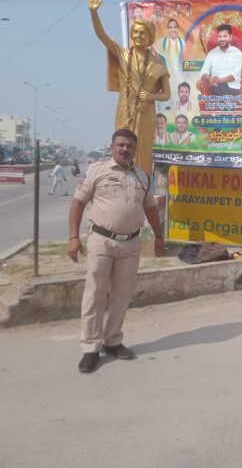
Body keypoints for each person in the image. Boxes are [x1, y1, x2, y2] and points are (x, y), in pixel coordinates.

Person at [68, 128, 164, 374]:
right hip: (102, 241)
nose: (125, 149)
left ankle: (112, 341)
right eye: (120, 145)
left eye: (129, 146)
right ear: (112, 147)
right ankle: (90, 347)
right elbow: (78, 203)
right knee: (95, 294)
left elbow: (150, 208)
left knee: (122, 295)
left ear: (135, 149)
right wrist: (73, 238)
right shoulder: (96, 171)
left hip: (131, 244)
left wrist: (159, 235)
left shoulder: (142, 176)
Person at [88, 0, 171, 176]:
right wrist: (93, 12)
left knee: (142, 149)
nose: (139, 36)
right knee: (122, 145)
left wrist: (151, 96)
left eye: (143, 33)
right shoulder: (123, 54)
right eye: (136, 33)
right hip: (125, 108)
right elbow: (102, 36)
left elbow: (166, 94)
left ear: (149, 37)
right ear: (132, 35)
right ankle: (121, 178)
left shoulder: (158, 63)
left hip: (146, 112)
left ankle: (142, 184)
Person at [198, 24, 242, 96]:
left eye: (225, 36)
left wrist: (220, 80)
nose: (222, 39)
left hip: (232, 90)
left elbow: (236, 75)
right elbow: (203, 72)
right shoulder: (212, 53)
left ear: (230, 37)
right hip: (216, 89)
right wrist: (209, 79)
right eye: (220, 36)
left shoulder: (237, 53)